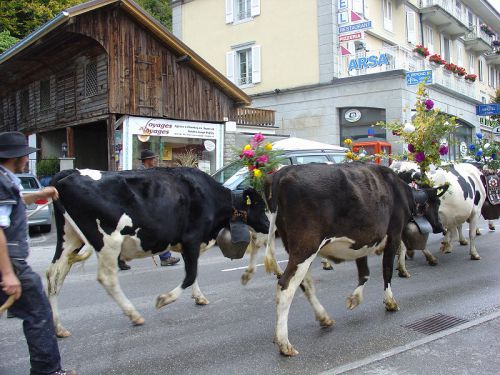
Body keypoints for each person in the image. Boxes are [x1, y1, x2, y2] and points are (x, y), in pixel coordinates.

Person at [0, 131, 76, 375]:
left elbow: (16, 201)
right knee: (39, 313)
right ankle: (47, 370)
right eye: (25, 154)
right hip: (11, 262)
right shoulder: (3, 182)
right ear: (19, 157)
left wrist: (40, 194)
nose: (26, 158)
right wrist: (9, 274)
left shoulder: (5, 178)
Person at [138, 149, 180, 267]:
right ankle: (165, 258)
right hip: (144, 206)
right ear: (147, 160)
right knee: (161, 230)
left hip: (150, 206)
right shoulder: (141, 173)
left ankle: (165, 257)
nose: (155, 161)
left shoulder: (149, 171)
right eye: (153, 159)